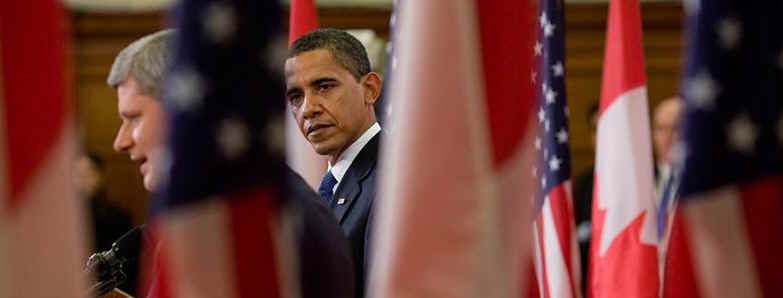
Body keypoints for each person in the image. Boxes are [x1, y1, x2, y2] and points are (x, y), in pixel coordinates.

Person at [107, 29, 355, 298]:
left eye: (133, 118)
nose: (121, 142)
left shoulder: (241, 223)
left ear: (184, 107)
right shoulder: (244, 206)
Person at [285, 28, 383, 297]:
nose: (308, 109)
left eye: (324, 87)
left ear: (370, 89)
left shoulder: (391, 181)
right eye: (296, 97)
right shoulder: (330, 187)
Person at [72, 152, 137, 295]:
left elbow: (127, 269)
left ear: (99, 177)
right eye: (77, 174)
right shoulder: (66, 220)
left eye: (87, 173)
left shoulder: (117, 217)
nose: (82, 180)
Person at [651, 96, 683, 239]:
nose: (668, 136)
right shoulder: (638, 181)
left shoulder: (703, 182)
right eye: (661, 128)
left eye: (676, 128)